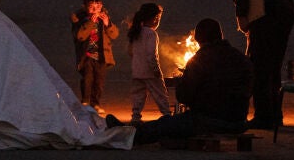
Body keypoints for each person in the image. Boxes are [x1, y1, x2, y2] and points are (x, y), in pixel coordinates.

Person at [106, 18, 253, 146]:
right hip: (239, 121)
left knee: (166, 124)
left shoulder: (201, 59)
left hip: (211, 120)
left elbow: (184, 96)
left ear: (199, 39)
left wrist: (186, 81)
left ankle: (126, 134)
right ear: (220, 36)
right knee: (173, 123)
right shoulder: (240, 57)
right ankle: (127, 132)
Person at [224, 0, 294, 129]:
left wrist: (241, 16)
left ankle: (263, 117)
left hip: (268, 14)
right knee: (273, 67)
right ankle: (275, 116)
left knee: (259, 67)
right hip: (286, 13)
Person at [71, 0, 119, 112]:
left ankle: (95, 103)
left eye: (97, 7)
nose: (95, 10)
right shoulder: (80, 20)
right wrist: (90, 22)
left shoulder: (104, 19)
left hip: (102, 55)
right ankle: (86, 101)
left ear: (101, 6)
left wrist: (108, 24)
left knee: (99, 81)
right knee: (87, 78)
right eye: (91, 7)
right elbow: (80, 36)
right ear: (85, 7)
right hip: (87, 55)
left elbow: (114, 35)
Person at [127, 2, 171, 123]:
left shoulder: (135, 32)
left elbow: (130, 52)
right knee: (160, 94)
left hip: (137, 71)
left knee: (138, 95)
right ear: (154, 19)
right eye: (158, 18)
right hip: (150, 72)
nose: (158, 21)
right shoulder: (151, 34)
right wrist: (156, 70)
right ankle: (167, 115)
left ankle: (135, 117)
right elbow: (151, 55)